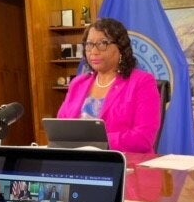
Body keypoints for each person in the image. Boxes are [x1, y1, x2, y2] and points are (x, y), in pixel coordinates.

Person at [56, 18, 161, 153]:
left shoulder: (142, 82)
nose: (94, 51)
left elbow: (143, 139)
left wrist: (95, 141)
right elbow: (60, 130)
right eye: (89, 44)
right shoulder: (78, 84)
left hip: (122, 161)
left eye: (102, 43)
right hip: (77, 159)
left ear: (121, 48)